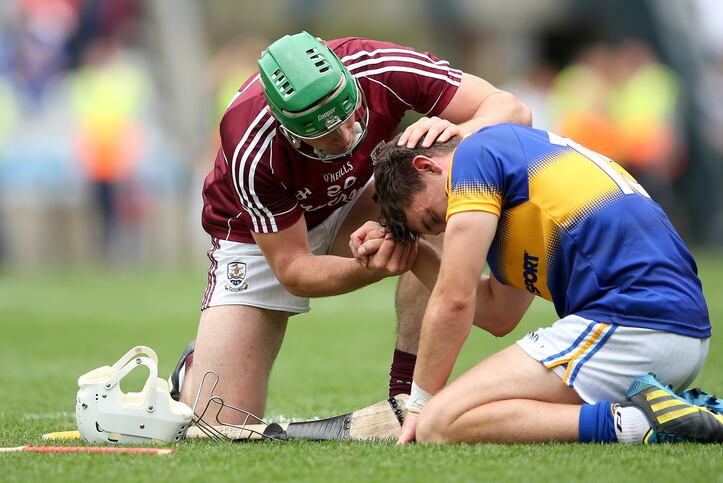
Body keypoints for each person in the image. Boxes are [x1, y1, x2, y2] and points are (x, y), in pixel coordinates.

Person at [170, 32, 532, 423]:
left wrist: (461, 132)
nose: (345, 138)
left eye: (349, 117)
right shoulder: (250, 141)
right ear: (287, 128)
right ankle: (195, 366)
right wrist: (370, 265)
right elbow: (293, 269)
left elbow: (511, 109)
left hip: (358, 196)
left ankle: (404, 396)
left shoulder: (380, 66)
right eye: (325, 135)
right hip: (259, 237)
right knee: (221, 422)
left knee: (437, 205)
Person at [368, 123, 723, 445]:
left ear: (427, 166)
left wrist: (418, 405)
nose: (445, 229)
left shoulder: (476, 156)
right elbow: (498, 313)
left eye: (433, 219)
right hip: (672, 334)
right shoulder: (512, 174)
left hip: (631, 321)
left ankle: (641, 423)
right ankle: (673, 412)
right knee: (462, 414)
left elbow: (454, 300)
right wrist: (418, 255)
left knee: (440, 421)